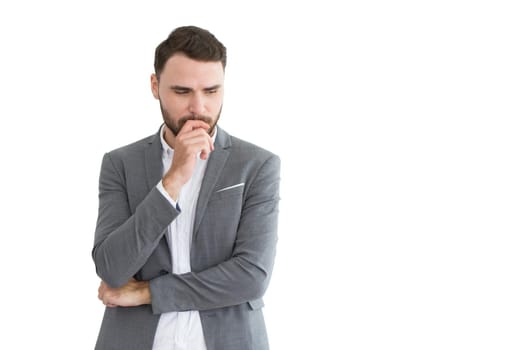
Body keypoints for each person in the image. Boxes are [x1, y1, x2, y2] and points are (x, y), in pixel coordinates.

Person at [92, 26, 280, 350]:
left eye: (211, 91)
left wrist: (147, 292)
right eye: (182, 92)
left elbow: (252, 276)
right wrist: (173, 179)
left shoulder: (257, 165)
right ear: (155, 86)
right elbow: (112, 268)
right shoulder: (120, 164)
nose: (199, 107)